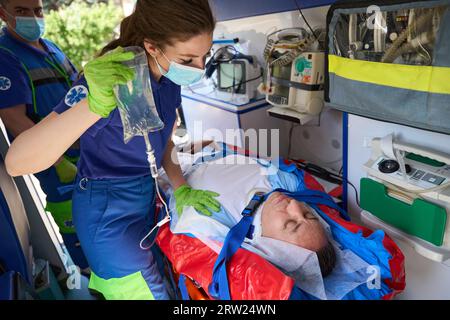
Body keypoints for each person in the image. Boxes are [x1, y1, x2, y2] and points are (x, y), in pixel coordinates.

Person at [5, 0, 221, 300]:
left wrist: (180, 185)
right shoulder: (112, 81)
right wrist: (94, 105)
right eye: (188, 59)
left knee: (165, 283)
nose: (199, 69)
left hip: (143, 200)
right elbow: (17, 162)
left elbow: (164, 140)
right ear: (152, 47)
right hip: (106, 215)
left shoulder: (170, 79)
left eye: (204, 55)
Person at [0, 0, 88, 270]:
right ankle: (91, 280)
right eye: (23, 11)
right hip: (58, 162)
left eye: (37, 11)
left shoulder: (50, 47)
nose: (33, 18)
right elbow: (14, 119)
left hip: (86, 150)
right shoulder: (5, 56)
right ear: (3, 13)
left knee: (97, 218)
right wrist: (59, 161)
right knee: (75, 221)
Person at [165, 148, 337, 278]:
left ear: (270, 247)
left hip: (169, 166)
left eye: (290, 223)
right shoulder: (289, 184)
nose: (294, 206)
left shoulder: (215, 220)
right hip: (205, 150)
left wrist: (180, 186)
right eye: (308, 215)